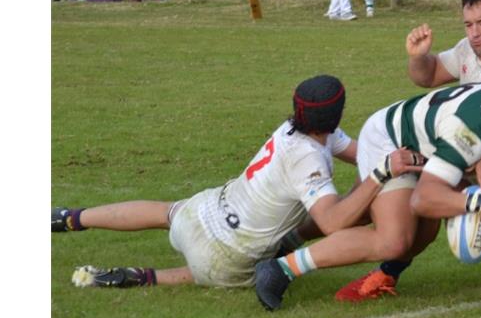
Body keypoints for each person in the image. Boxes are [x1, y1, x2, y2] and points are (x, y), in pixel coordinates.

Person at [52, 75, 411, 291]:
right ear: (337, 113)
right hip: (226, 254)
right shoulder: (309, 158)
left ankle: (71, 217)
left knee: (166, 211)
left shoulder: (297, 128)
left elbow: (360, 152)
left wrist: (397, 155)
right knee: (205, 271)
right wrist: (382, 173)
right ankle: (146, 277)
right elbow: (333, 222)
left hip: (203, 212)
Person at [252, 81, 481, 310]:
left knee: (424, 229)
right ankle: (280, 269)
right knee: (394, 238)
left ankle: (371, 269)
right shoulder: (470, 131)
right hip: (390, 141)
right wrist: (479, 202)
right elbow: (424, 199)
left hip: (428, 145)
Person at [331, 0, 481, 302]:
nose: (474, 33)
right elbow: (428, 75)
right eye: (469, 25)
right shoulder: (468, 50)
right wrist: (418, 57)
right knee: (397, 219)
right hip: (445, 147)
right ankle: (297, 250)